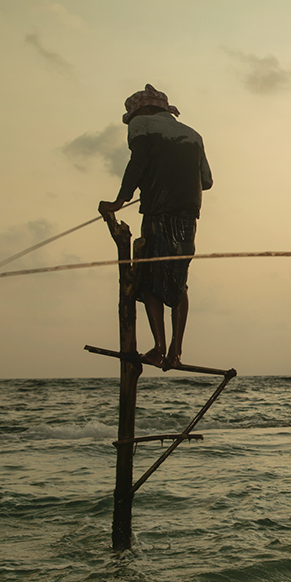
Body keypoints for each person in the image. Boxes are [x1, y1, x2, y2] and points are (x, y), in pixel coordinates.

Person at [99, 84, 213, 370]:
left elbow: (138, 162)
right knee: (179, 279)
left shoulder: (141, 124)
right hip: (188, 213)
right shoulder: (193, 134)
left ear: (142, 110)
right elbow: (207, 181)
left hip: (158, 211)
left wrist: (119, 200)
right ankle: (176, 351)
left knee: (149, 277)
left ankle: (159, 349)